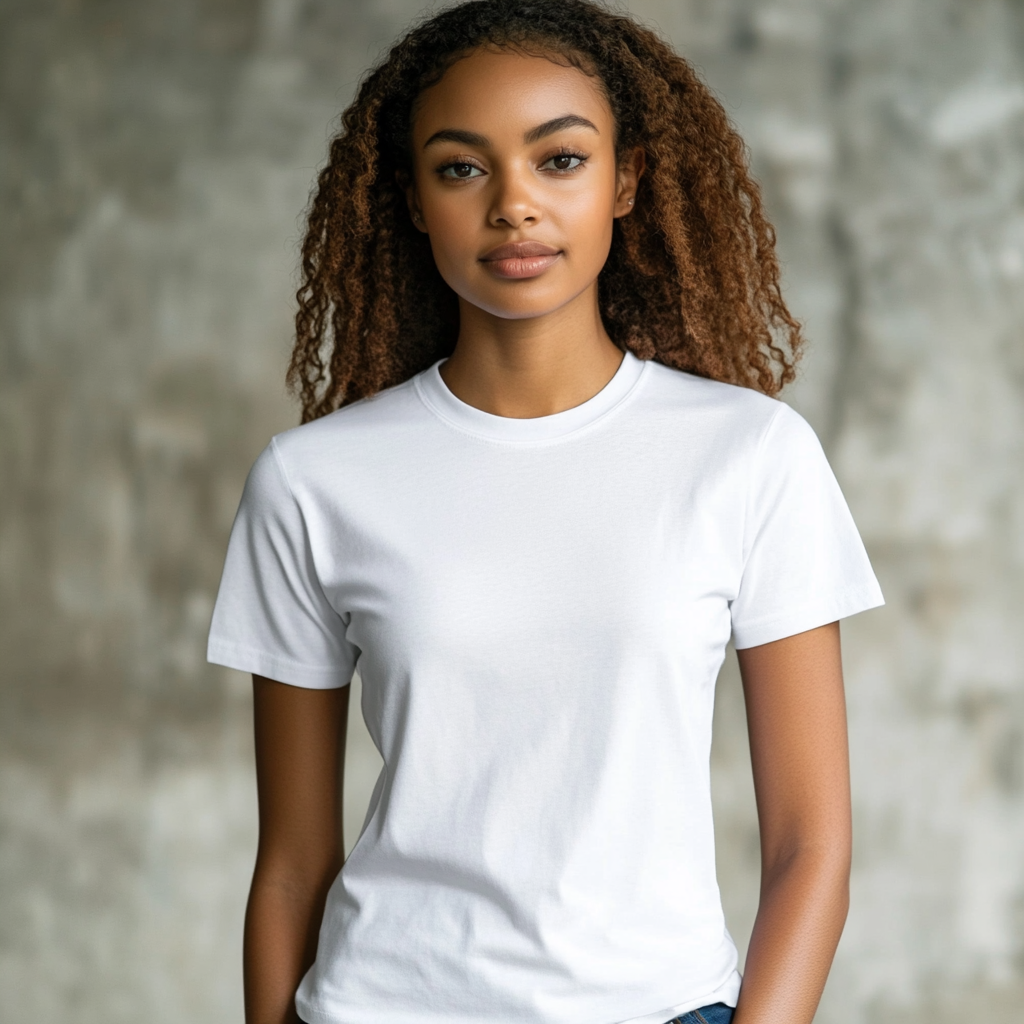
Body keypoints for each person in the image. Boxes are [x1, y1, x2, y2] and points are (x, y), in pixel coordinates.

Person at [206, 2, 884, 1023]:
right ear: (412, 198)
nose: (513, 205)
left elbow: (811, 847)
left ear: (627, 180)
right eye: (461, 167)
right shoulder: (313, 481)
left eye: (558, 160)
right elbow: (294, 863)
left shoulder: (749, 456)